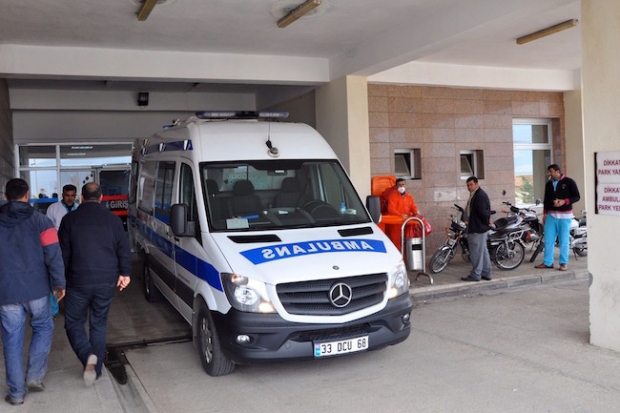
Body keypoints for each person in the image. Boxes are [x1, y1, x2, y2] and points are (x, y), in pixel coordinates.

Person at [58, 182, 131, 386]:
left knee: (73, 323)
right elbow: (123, 248)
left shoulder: (69, 220)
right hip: (106, 281)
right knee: (99, 324)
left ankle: (87, 355)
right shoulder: (113, 220)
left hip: (78, 281)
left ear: (81, 197)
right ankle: (96, 370)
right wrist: (125, 273)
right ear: (101, 198)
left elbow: (63, 253)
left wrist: (60, 280)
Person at [0, 178, 65, 405]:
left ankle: (16, 394)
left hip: (7, 291)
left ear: (6, 196)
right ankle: (34, 376)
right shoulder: (42, 221)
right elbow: (53, 254)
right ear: (27, 195)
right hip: (37, 289)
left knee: (11, 339)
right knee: (43, 327)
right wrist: (59, 283)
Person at [535, 164, 580, 271]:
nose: (549, 174)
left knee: (563, 240)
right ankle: (548, 262)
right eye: (549, 172)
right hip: (551, 215)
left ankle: (563, 263)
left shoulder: (569, 182)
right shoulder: (549, 184)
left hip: (565, 216)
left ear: (557, 171)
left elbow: (577, 196)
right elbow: (546, 199)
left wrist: (564, 201)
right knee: (548, 240)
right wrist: (545, 213)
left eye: (551, 171)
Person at [46, 184, 78, 317]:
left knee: (73, 278)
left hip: (75, 250)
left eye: (72, 196)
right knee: (55, 277)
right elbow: (48, 230)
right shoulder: (53, 209)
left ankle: (71, 308)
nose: (70, 198)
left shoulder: (79, 209)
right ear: (62, 195)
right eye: (67, 195)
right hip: (58, 249)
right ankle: (53, 310)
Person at [461, 176, 493, 282]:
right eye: (467, 185)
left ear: (477, 184)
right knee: (482, 251)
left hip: (477, 228)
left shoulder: (479, 195)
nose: (469, 187)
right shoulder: (476, 194)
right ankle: (486, 273)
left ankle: (476, 274)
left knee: (476, 252)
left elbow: (484, 212)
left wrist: (486, 222)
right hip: (479, 227)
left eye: (471, 185)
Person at [381, 178, 419, 249]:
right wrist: (400, 215)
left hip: (407, 223)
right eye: (399, 185)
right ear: (396, 186)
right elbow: (391, 210)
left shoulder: (409, 196)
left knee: (407, 243)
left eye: (403, 185)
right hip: (396, 224)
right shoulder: (392, 196)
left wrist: (416, 211)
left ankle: (405, 256)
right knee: (396, 242)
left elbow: (413, 206)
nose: (401, 186)